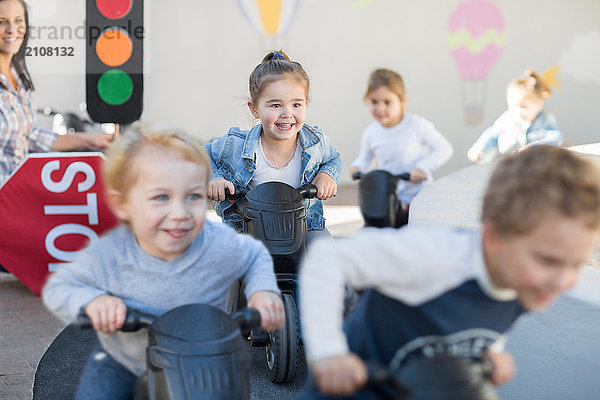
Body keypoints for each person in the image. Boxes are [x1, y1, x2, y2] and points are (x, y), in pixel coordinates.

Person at [298, 145, 600, 399]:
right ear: (494, 237)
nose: (563, 281)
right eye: (548, 261)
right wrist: (328, 353)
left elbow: (481, 319)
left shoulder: (525, 283)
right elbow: (327, 258)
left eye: (576, 263)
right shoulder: (436, 257)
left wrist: (491, 352)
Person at [42, 127, 285, 400]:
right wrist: (95, 302)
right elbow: (62, 286)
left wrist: (262, 291)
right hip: (129, 359)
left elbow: (254, 255)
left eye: (191, 197)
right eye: (161, 198)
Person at [205, 50, 342, 241]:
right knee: (223, 257)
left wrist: (327, 175)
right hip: (248, 227)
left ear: (306, 104)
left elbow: (334, 158)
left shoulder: (315, 143)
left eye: (296, 105)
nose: (287, 113)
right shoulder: (236, 144)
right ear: (255, 109)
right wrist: (215, 179)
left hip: (305, 227)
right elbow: (202, 155)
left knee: (324, 253)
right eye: (275, 105)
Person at [0, 0, 113, 186]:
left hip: (17, 196)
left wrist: (90, 140)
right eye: (1, 21)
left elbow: (29, 137)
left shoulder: (18, 77)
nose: (12, 29)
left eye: (18, 20)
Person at [350, 69, 453, 226]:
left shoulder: (416, 125)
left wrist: (423, 168)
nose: (380, 108)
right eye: (374, 102)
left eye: (387, 102)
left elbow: (444, 148)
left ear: (402, 101)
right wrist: (357, 167)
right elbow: (365, 159)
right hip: (390, 198)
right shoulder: (371, 133)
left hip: (419, 198)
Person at [467, 69, 563, 163]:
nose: (518, 111)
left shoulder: (545, 120)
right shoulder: (507, 119)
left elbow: (556, 138)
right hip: (507, 163)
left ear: (539, 104)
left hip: (534, 164)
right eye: (512, 106)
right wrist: (478, 148)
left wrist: (534, 147)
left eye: (524, 107)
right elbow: (492, 134)